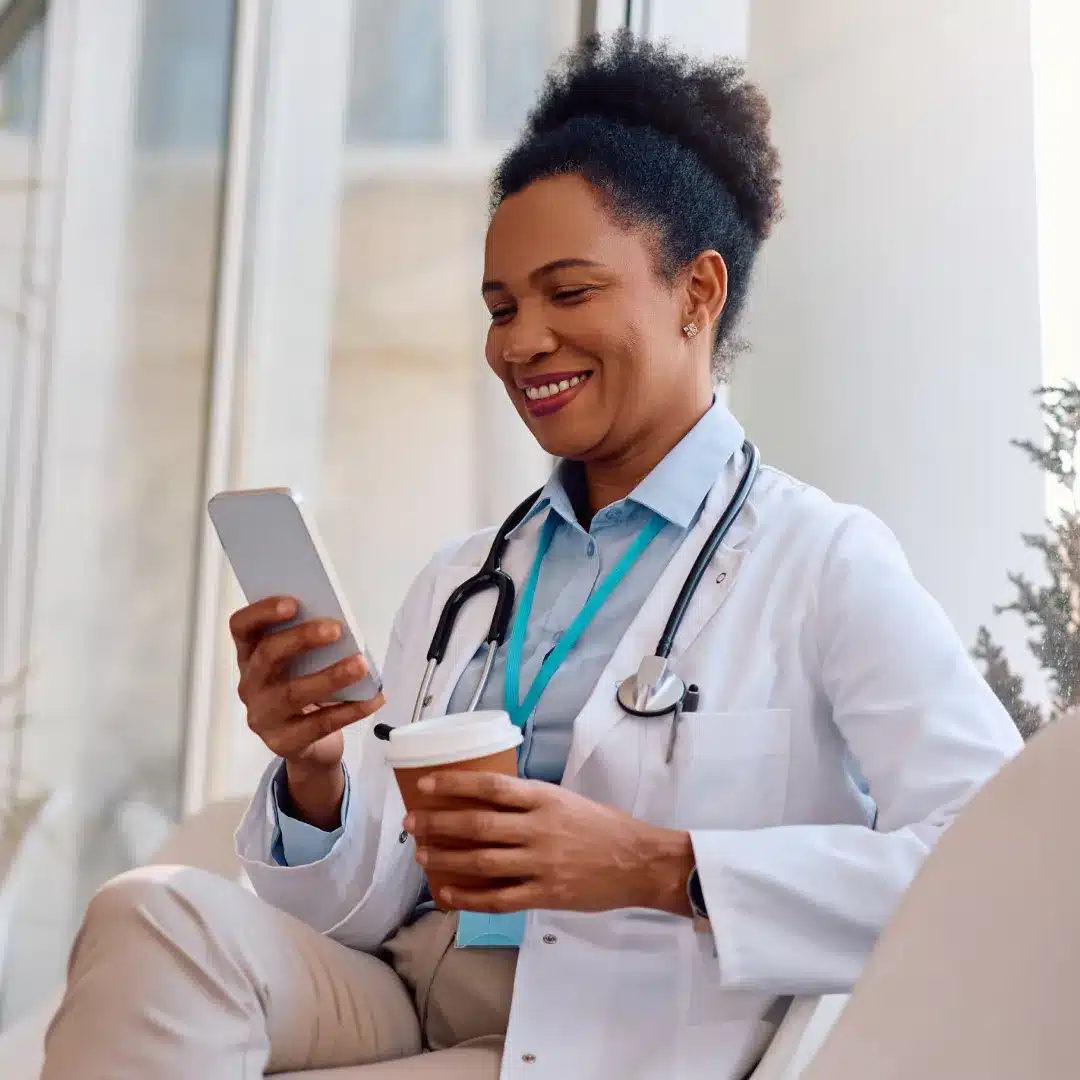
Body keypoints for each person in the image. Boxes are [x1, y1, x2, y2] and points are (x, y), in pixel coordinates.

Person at [41, 31, 1022, 1080]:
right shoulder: (467, 579)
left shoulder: (823, 561)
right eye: (502, 307)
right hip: (404, 984)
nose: (521, 342)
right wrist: (319, 773)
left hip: (602, 1029)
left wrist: (659, 866)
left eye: (569, 293)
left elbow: (995, 869)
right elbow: (357, 901)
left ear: (697, 293)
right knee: (152, 916)